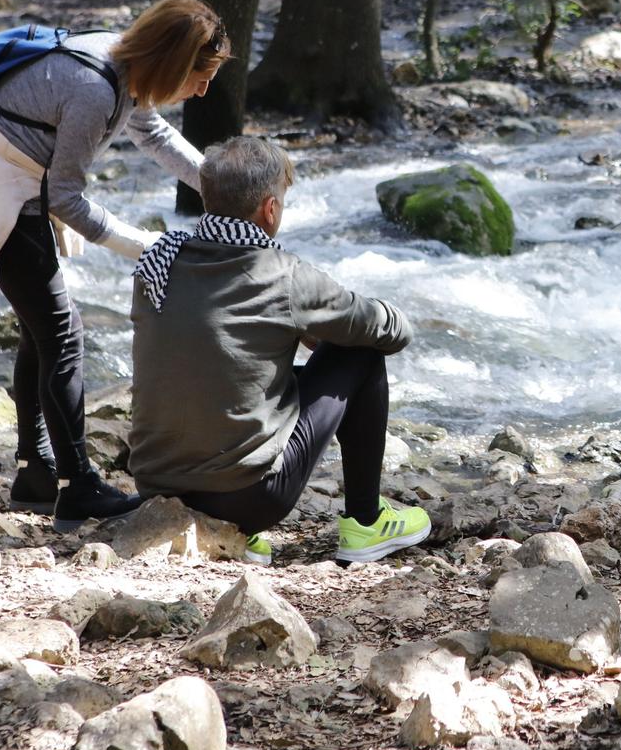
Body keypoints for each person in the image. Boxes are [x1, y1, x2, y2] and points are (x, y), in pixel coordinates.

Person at [0, 0, 229, 528]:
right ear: (172, 64)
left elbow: (152, 133)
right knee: (62, 333)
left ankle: (36, 471)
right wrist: (148, 246)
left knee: (44, 329)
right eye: (199, 77)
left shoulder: (123, 62)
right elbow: (66, 198)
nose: (202, 91)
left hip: (18, 183)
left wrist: (221, 189)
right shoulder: (93, 89)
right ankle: (76, 484)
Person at [126, 136, 431, 565]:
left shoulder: (158, 260)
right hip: (248, 498)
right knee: (359, 352)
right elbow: (388, 332)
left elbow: (207, 351)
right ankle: (365, 523)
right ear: (270, 210)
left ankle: (232, 538)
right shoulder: (283, 274)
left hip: (156, 485)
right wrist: (328, 327)